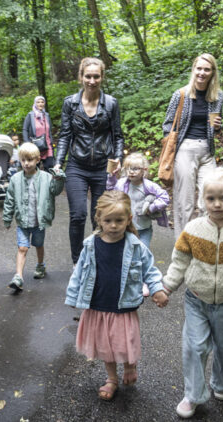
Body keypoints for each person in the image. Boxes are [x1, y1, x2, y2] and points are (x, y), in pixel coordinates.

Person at [65, 190, 168, 401]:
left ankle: (130, 367)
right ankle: (111, 378)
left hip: (123, 305)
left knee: (125, 341)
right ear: (99, 220)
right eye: (108, 220)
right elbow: (80, 271)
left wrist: (157, 289)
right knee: (105, 346)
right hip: (98, 304)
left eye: (119, 220)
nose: (113, 225)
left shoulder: (135, 245)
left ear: (129, 219)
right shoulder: (90, 245)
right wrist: (73, 295)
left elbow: (149, 269)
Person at [163, 168, 223, 418]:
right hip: (196, 299)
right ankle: (193, 395)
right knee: (195, 347)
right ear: (202, 199)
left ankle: (221, 383)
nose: (217, 204)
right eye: (211, 198)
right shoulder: (194, 229)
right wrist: (167, 287)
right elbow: (179, 261)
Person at [54, 57, 124, 265]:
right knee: (78, 215)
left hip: (103, 166)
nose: (92, 81)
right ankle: (77, 261)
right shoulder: (70, 103)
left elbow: (117, 135)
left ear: (102, 77)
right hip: (77, 165)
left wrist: (118, 158)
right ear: (81, 77)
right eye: (88, 76)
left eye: (96, 76)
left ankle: (97, 258)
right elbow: (65, 134)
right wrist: (59, 161)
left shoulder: (111, 103)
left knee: (100, 217)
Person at [163, 53, 223, 239]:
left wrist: (218, 128)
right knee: (185, 202)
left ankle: (205, 241)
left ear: (212, 72)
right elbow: (167, 125)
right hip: (185, 150)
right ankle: (183, 246)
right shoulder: (180, 94)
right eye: (199, 68)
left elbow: (215, 128)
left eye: (207, 69)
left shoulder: (217, 96)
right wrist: (173, 146)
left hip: (207, 151)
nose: (202, 73)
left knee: (211, 198)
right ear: (194, 70)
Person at [3, 142, 65, 292]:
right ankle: (18, 276)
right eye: (23, 160)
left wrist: (59, 179)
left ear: (38, 160)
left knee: (38, 244)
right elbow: (9, 199)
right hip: (22, 222)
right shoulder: (15, 179)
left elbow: (55, 191)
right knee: (22, 247)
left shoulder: (46, 177)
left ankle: (40, 265)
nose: (26, 163)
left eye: (29, 160)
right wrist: (7, 217)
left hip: (39, 222)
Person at [107, 152, 169, 296]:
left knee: (142, 254)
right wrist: (111, 177)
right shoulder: (122, 183)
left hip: (144, 228)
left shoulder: (148, 186)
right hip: (127, 229)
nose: (131, 172)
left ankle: (145, 281)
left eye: (135, 169)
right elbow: (110, 191)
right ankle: (125, 280)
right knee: (124, 253)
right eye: (128, 168)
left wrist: (152, 207)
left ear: (144, 170)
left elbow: (164, 197)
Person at [22, 96, 54, 172]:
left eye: (42, 102)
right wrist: (27, 143)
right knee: (35, 169)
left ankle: (48, 183)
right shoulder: (30, 115)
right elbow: (25, 129)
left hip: (47, 145)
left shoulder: (46, 115)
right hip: (35, 146)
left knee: (49, 167)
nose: (40, 104)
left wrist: (52, 143)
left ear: (44, 103)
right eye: (38, 102)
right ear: (35, 103)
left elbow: (49, 131)